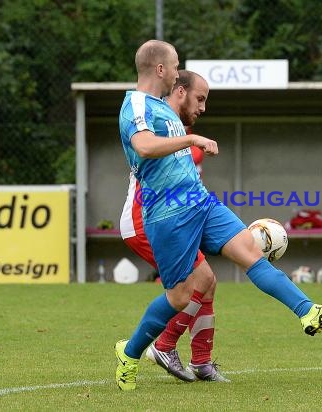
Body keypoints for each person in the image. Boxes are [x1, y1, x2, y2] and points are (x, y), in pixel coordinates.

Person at [115, 39, 322, 391]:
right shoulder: (135, 104)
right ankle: (131, 352)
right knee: (181, 295)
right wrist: (192, 140)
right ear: (161, 69)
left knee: (250, 251)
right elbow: (144, 146)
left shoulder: (164, 107)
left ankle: (307, 311)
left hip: (200, 204)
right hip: (167, 214)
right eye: (176, 63)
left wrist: (189, 140)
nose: (179, 69)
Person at [119, 70, 225, 383]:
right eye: (199, 99)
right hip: (144, 220)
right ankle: (159, 347)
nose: (201, 108)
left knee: (206, 280)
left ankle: (200, 361)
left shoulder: (180, 132)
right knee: (194, 284)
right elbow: (147, 154)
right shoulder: (157, 125)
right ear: (178, 93)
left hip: (170, 217)